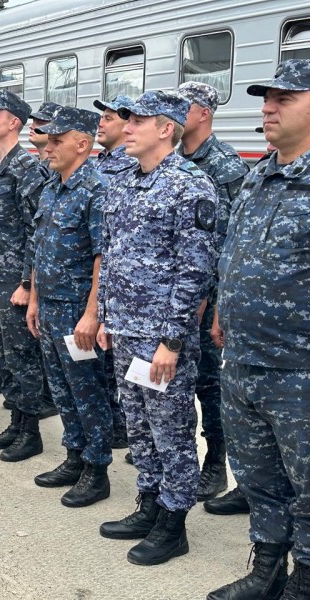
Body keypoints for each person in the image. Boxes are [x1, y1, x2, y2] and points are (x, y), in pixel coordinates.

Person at [96, 91, 217, 566]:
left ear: (166, 128)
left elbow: (195, 273)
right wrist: (106, 314)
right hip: (125, 329)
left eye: (137, 122)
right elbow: (111, 254)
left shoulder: (190, 186)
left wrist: (172, 341)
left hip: (161, 338)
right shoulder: (125, 181)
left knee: (171, 430)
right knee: (139, 425)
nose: (126, 128)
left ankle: (173, 522)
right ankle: (147, 503)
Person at [206, 59, 310, 600]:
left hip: (299, 369)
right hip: (245, 360)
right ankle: (267, 568)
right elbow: (233, 252)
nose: (268, 107)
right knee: (259, 477)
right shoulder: (259, 175)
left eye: (284, 98)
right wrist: (223, 310)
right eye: (267, 97)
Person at [27, 107, 114, 506]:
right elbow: (39, 247)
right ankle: (74, 456)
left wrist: (92, 313)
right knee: (62, 389)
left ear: (82, 144)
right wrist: (34, 298)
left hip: (78, 310)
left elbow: (103, 257)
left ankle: (96, 471)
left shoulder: (96, 189)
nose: (49, 146)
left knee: (87, 391)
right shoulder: (52, 188)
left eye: (58, 140)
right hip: (49, 306)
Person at [174, 81, 251, 505]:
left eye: (183, 106)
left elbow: (235, 239)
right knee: (179, 383)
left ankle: (217, 462)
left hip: (209, 300)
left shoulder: (225, 165)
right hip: (179, 296)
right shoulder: (173, 161)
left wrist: (216, 300)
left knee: (210, 384)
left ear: (204, 112)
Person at [0, 90, 52, 462]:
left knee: (22, 356)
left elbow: (36, 230)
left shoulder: (25, 168)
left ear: (14, 123)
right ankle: (17, 422)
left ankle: (31, 429)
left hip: (13, 281)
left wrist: (26, 284)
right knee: (2, 356)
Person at [93, 94, 139, 451]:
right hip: (105, 286)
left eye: (109, 116)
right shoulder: (103, 162)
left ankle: (121, 425)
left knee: (119, 369)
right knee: (104, 364)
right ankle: (114, 423)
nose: (102, 122)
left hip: (133, 296)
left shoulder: (130, 168)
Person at [29, 101, 61, 171]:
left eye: (40, 123)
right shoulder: (36, 165)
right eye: (33, 121)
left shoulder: (57, 169)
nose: (31, 126)